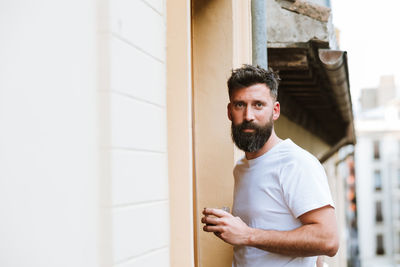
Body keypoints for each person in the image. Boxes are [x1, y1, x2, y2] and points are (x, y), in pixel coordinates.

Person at [201, 65, 339, 267]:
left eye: (258, 105)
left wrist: (247, 235)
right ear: (230, 112)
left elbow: (328, 240)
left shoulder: (296, 163)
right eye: (240, 105)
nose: (248, 115)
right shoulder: (241, 167)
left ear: (275, 111)